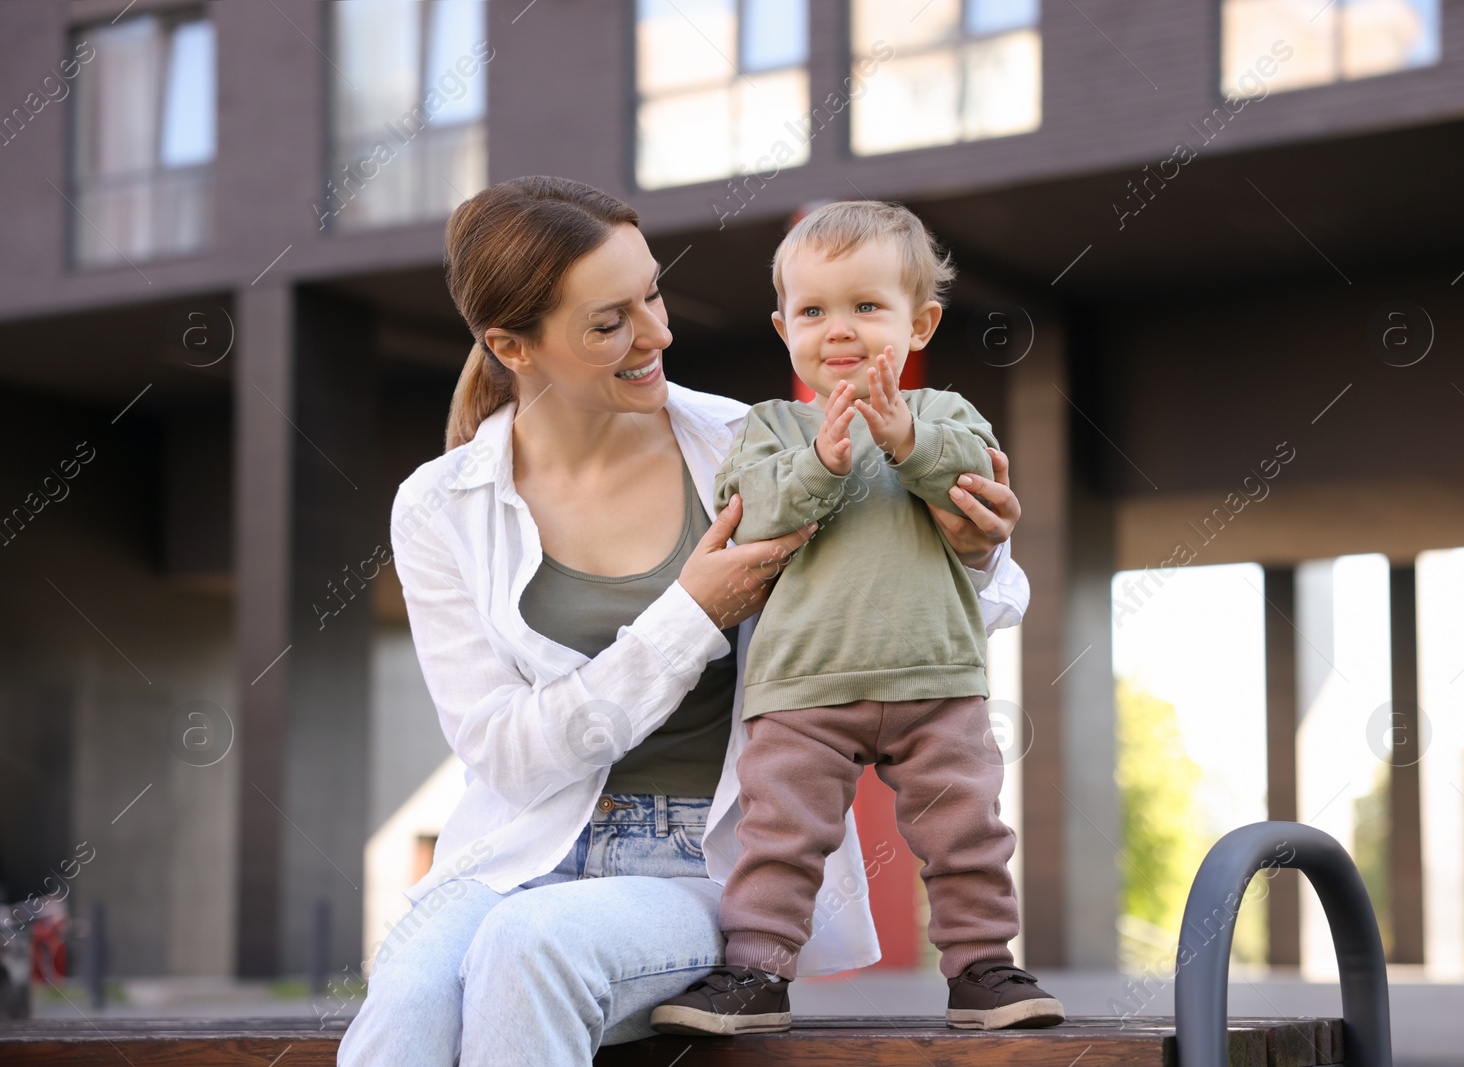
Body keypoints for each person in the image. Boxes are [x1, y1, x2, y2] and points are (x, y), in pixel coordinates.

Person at [336, 176, 1029, 1066]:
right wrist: (694, 614)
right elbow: (504, 749)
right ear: (514, 345)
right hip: (518, 852)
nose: (659, 333)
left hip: (710, 863)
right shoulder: (441, 505)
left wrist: (977, 547)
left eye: (653, 292)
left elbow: (963, 604)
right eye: (608, 322)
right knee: (411, 994)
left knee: (529, 947)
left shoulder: (749, 444)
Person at [650, 200, 1061, 1037]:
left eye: (867, 306)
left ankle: (983, 967)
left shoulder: (945, 413)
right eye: (814, 310)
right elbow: (748, 513)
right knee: (779, 836)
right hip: (802, 688)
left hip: (936, 677)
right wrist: (819, 464)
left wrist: (906, 440)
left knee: (966, 831)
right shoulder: (770, 428)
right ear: (782, 327)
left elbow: (976, 483)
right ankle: (756, 971)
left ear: (921, 324)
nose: (839, 329)